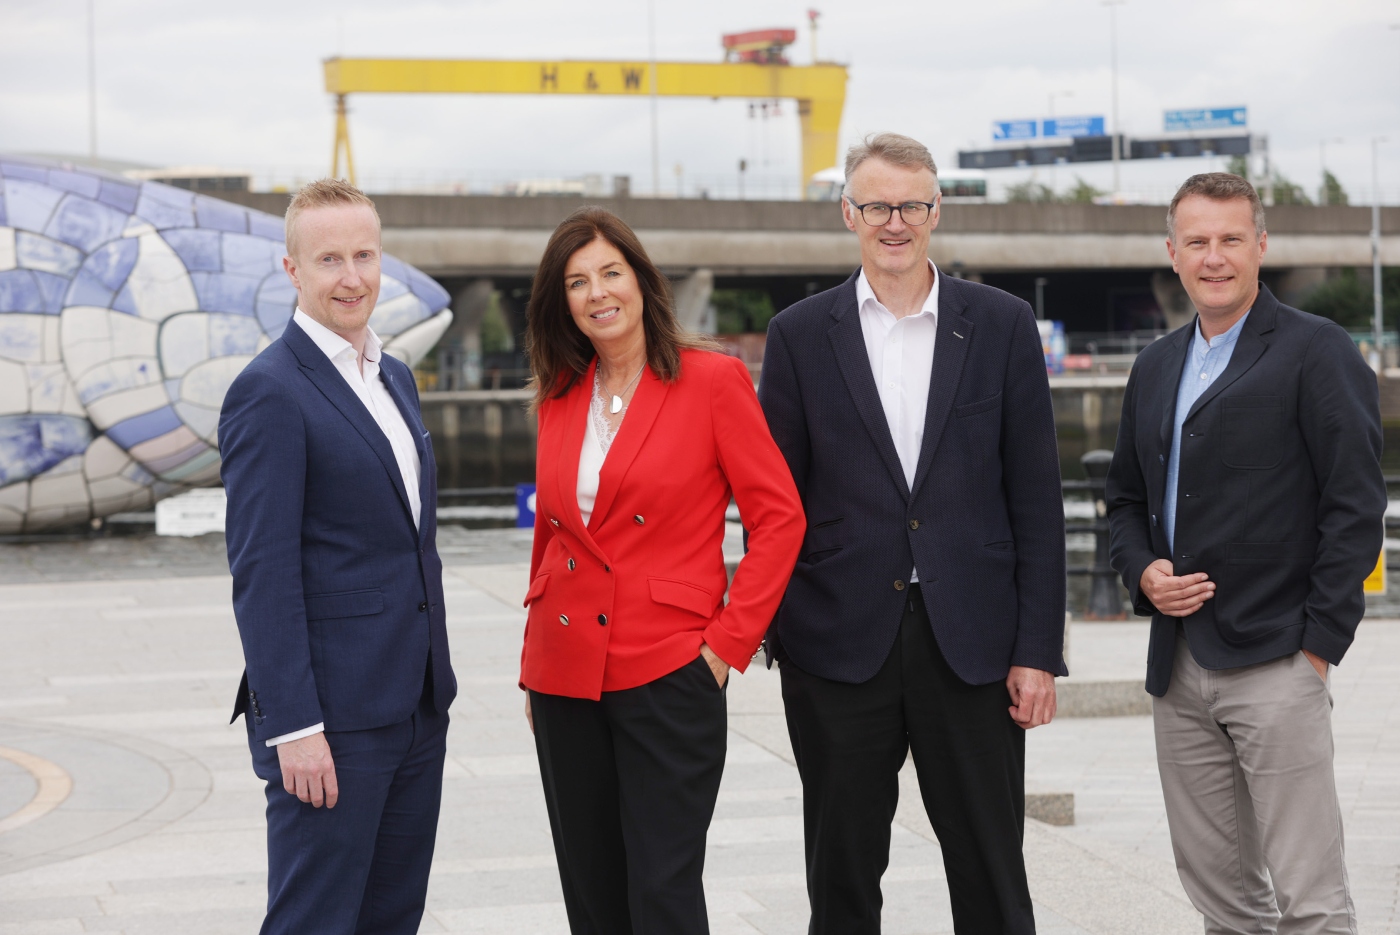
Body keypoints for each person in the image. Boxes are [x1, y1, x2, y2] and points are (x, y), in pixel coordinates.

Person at [758, 132, 1066, 934]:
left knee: (993, 872)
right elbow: (773, 502)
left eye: (912, 204)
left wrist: (1037, 648)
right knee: (843, 875)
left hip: (973, 646)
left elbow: (1035, 497)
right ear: (848, 214)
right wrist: (777, 629)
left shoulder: (1001, 324)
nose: (894, 221)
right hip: (836, 647)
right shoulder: (797, 334)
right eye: (876, 205)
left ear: (936, 209)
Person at [1106, 172, 1384, 933]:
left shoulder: (1316, 351)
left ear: (1261, 245)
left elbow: (1356, 508)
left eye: (1232, 238)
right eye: (1197, 241)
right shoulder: (1155, 365)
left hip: (1279, 660)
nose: (1215, 256)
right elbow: (1126, 502)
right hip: (1180, 669)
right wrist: (1144, 572)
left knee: (1312, 900)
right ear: (1173, 252)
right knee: (1222, 901)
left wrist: (1318, 650)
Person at [519, 206, 805, 934]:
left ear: (641, 281)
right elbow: (553, 537)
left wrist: (724, 647)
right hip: (564, 675)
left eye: (610, 272)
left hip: (669, 671)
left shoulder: (713, 381)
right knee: (593, 897)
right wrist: (533, 667)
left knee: (665, 890)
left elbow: (779, 520)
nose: (597, 292)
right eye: (578, 281)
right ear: (564, 301)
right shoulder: (558, 395)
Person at [220, 179, 455, 935]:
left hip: (415, 702)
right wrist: (294, 726)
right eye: (329, 259)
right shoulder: (269, 392)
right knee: (315, 920)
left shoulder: (393, 377)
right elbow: (263, 570)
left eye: (364, 254)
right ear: (293, 271)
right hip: (332, 721)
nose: (351, 276)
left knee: (392, 917)